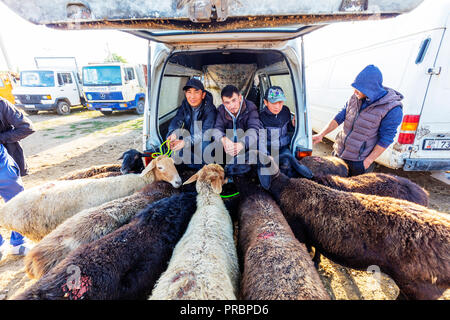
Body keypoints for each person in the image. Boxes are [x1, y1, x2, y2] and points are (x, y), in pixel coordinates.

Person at [312, 65, 403, 176]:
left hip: (357, 162)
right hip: (338, 153)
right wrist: (322, 134)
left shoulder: (392, 108)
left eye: (358, 88)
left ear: (370, 88)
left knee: (348, 192)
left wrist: (367, 162)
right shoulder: (355, 98)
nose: (354, 91)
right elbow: (341, 116)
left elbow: (386, 139)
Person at [0, 97, 35, 256]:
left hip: (2, 163)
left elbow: (27, 127)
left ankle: (18, 243)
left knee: (17, 201)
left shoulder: (1, 104)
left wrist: (1, 138)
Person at [166, 78, 217, 168]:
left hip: (204, 141)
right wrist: (172, 133)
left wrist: (185, 142)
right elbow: (177, 119)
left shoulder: (210, 109)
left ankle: (206, 168)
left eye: (196, 92)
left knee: (204, 142)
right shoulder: (185, 105)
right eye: (189, 92)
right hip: (190, 138)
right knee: (176, 143)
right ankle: (194, 165)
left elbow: (205, 133)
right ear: (185, 94)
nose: (192, 96)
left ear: (203, 95)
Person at [213, 85, 263, 163]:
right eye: (227, 102)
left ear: (240, 98)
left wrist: (242, 144)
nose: (232, 106)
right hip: (229, 146)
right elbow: (217, 129)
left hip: (246, 145)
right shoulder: (221, 110)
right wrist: (224, 139)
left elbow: (254, 129)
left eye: (234, 100)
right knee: (216, 146)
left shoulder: (250, 107)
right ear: (223, 102)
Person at [259, 86, 295, 157]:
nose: (277, 107)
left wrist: (293, 125)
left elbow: (289, 129)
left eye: (280, 102)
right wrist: (267, 156)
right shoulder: (261, 116)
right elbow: (260, 141)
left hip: (284, 148)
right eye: (273, 103)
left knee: (287, 164)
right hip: (268, 149)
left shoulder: (285, 111)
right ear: (265, 102)